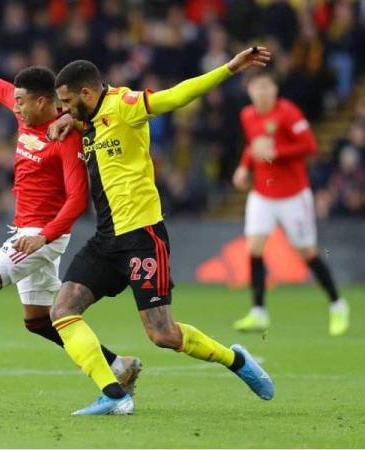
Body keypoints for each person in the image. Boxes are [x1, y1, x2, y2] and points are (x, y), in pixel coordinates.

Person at [47, 47, 275, 416]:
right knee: (62, 310)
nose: (65, 109)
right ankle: (114, 395)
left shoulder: (125, 105)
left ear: (87, 94)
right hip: (105, 239)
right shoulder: (84, 118)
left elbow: (177, 95)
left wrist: (229, 69)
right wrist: (68, 121)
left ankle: (236, 360)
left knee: (162, 334)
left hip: (141, 236)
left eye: (68, 102)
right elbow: (76, 121)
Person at [0, 49, 141, 407]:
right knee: (39, 320)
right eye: (17, 101)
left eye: (23, 102)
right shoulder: (25, 110)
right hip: (27, 232)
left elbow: (76, 200)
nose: (17, 107)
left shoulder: (64, 138)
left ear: (44, 102)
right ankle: (119, 365)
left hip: (42, 235)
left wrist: (45, 236)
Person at [232, 70, 349, 335]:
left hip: (293, 195)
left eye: (265, 86)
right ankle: (258, 312)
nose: (261, 92)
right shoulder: (247, 115)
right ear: (250, 92)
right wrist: (243, 167)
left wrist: (277, 152)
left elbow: (310, 146)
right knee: (254, 248)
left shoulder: (289, 113)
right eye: (256, 88)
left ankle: (337, 304)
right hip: (262, 193)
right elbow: (253, 146)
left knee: (306, 251)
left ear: (275, 90)